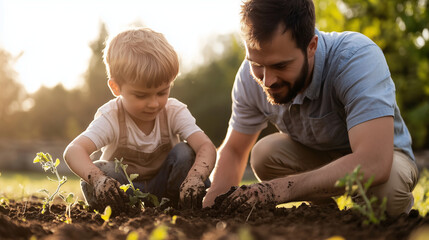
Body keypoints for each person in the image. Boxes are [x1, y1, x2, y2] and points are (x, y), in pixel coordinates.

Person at [203, 0, 418, 217]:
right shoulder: (249, 78)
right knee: (264, 154)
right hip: (318, 156)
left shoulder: (355, 58)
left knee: (385, 196)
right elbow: (234, 150)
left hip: (383, 155)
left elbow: (374, 162)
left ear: (311, 46)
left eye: (280, 66)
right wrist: (211, 210)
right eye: (256, 64)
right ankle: (324, 214)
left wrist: (279, 189)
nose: (267, 81)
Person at [63, 27, 216, 213]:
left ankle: (179, 207)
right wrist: (98, 179)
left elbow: (205, 146)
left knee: (185, 152)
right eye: (141, 95)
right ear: (116, 88)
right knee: (103, 168)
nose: (153, 103)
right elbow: (74, 150)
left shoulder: (174, 111)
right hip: (126, 193)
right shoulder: (111, 116)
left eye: (162, 92)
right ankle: (123, 211)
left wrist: (195, 177)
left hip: (169, 190)